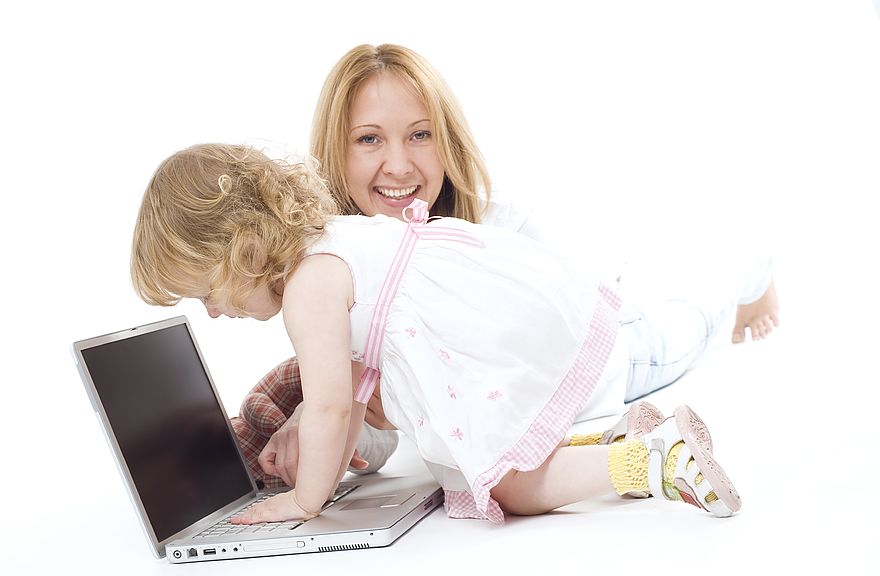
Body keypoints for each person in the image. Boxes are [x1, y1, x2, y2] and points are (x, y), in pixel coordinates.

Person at [232, 43, 780, 488]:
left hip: (611, 350)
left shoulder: (494, 230)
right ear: (335, 152)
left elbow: (579, 321)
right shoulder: (342, 274)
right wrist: (317, 430)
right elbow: (374, 439)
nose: (398, 164)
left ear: (446, 141)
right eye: (369, 140)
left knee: (693, 323)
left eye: (420, 135)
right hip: (541, 396)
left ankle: (747, 275)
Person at [130, 142, 744, 522]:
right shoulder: (330, 243)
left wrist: (304, 503)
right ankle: (614, 442)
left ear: (242, 247)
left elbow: (327, 405)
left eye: (206, 292)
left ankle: (647, 463)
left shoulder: (308, 290)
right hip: (507, 322)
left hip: (489, 340)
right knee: (507, 461)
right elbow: (347, 408)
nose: (212, 312)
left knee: (508, 489)